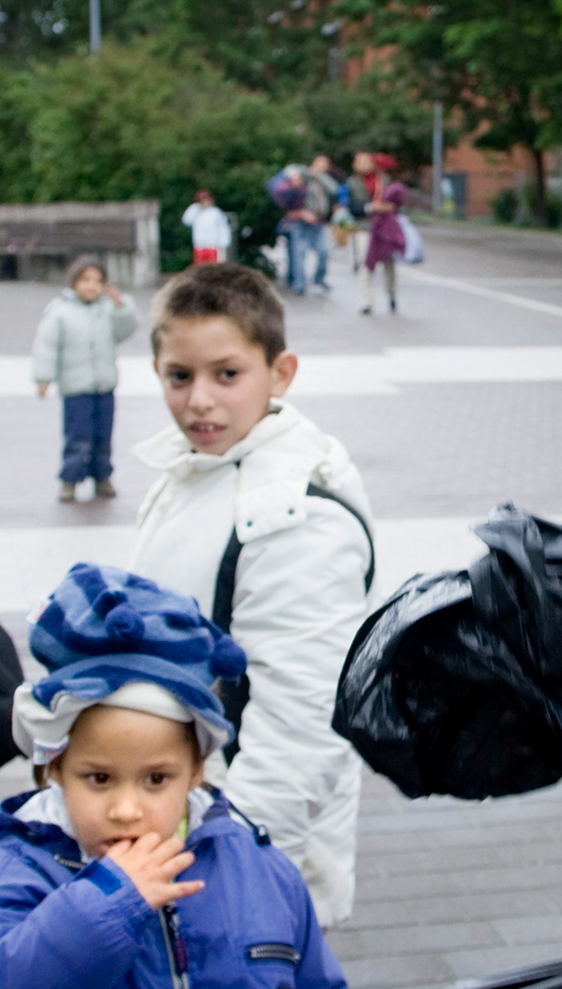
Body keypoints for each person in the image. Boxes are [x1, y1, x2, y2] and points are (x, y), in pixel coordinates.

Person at [0, 564, 350, 989]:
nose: (127, 809)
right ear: (54, 768)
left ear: (197, 772)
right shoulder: (22, 871)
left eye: (156, 779)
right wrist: (107, 903)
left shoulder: (257, 869)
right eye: (99, 779)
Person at [129, 263, 375, 928]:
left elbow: (305, 718)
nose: (199, 400)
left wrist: (244, 871)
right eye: (179, 376)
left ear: (281, 373)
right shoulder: (200, 469)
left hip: (241, 867)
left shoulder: (291, 513)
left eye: (226, 374)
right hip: (185, 836)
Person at [32, 255, 139, 502]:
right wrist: (44, 378)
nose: (91, 286)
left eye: (97, 281)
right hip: (75, 388)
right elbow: (46, 347)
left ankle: (102, 477)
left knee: (103, 437)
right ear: (74, 282)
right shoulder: (60, 312)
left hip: (104, 386)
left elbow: (127, 330)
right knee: (78, 437)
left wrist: (122, 306)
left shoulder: (108, 310)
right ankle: (69, 479)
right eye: (85, 280)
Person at [360, 154, 405, 316]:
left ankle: (391, 296)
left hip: (385, 230)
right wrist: (370, 207)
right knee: (367, 265)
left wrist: (382, 207)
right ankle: (368, 301)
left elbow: (395, 205)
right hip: (368, 228)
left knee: (389, 265)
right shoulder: (359, 182)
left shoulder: (388, 183)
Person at [296, 154, 339, 294]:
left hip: (319, 222)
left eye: (325, 165)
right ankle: (300, 285)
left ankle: (319, 279)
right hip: (301, 220)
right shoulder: (303, 174)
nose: (322, 167)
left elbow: (334, 189)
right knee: (300, 253)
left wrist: (319, 175)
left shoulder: (325, 180)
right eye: (319, 163)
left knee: (324, 251)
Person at [181, 188, 232, 265]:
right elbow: (186, 220)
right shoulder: (196, 212)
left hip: (213, 246)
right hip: (199, 246)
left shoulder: (216, 212)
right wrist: (196, 206)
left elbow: (224, 228)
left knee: (214, 267)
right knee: (199, 268)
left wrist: (223, 243)